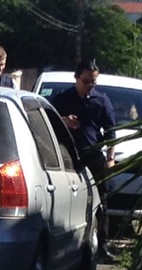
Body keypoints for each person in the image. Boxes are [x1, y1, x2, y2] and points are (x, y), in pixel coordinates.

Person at [51, 59, 117, 259]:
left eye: (93, 82)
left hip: (93, 157)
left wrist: (110, 158)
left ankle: (101, 244)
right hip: (67, 158)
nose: (89, 86)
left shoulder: (101, 101)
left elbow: (111, 132)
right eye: (86, 81)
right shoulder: (62, 99)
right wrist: (64, 120)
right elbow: (48, 122)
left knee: (100, 202)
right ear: (76, 78)